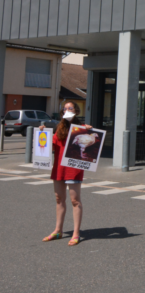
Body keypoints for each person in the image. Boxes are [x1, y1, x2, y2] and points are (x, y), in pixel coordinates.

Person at [40, 102, 93, 246]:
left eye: (70, 108)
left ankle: (76, 233)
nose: (67, 110)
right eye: (65, 108)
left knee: (75, 200)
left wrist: (88, 131)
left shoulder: (81, 128)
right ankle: (58, 230)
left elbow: (90, 146)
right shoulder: (59, 128)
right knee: (58, 198)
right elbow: (50, 146)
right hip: (59, 167)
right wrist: (42, 134)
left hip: (73, 168)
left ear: (76, 111)